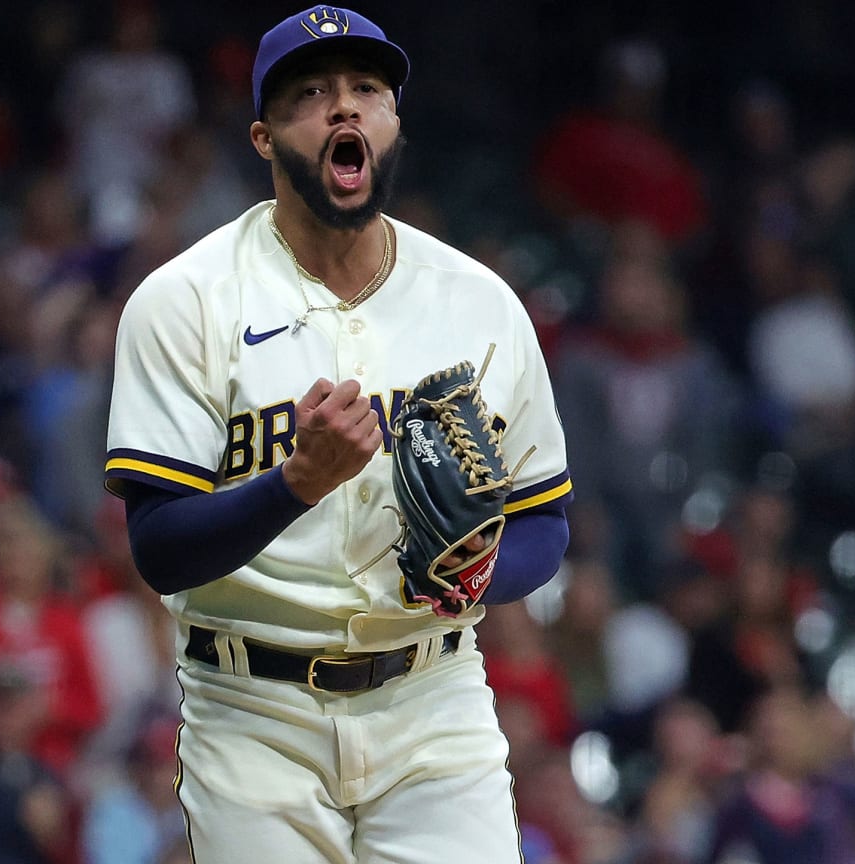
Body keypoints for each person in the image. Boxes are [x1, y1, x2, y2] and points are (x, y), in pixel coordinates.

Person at [103, 7, 572, 861]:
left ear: (394, 122)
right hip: (253, 709)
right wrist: (295, 485)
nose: (344, 109)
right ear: (262, 136)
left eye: (366, 90)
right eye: (311, 94)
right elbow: (159, 549)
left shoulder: (480, 304)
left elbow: (546, 518)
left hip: (434, 701)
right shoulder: (185, 302)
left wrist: (480, 573)